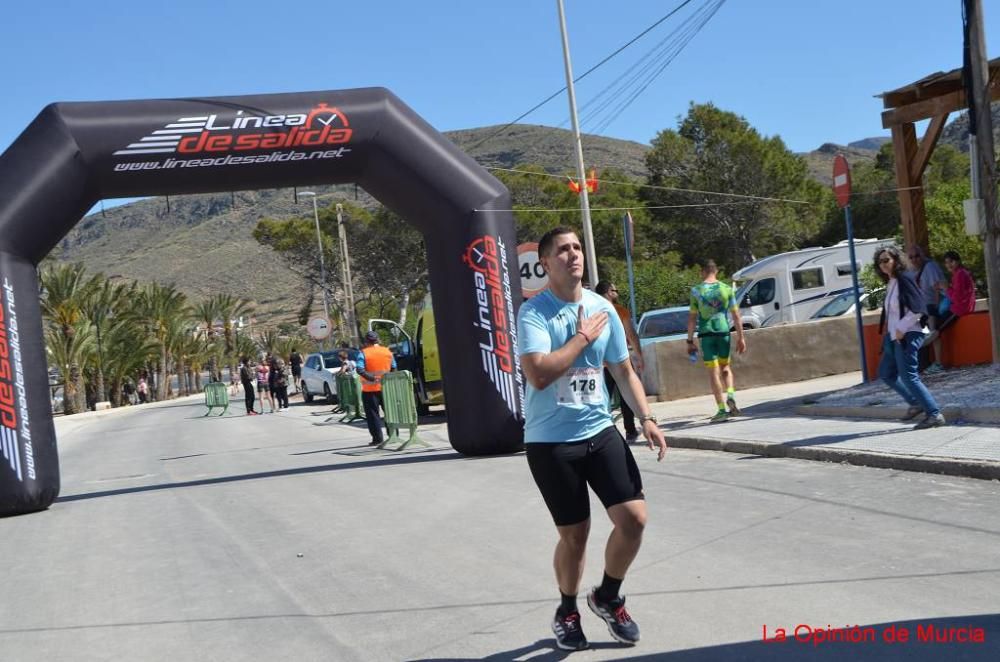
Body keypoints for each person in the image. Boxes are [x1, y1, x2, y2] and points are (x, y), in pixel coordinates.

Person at [516, 227, 667, 652]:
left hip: (600, 432)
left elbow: (622, 370)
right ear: (545, 263)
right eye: (562, 250)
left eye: (577, 247)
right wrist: (582, 337)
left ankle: (607, 596)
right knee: (576, 535)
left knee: (634, 519)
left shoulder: (602, 308)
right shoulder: (535, 314)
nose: (573, 255)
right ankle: (567, 609)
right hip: (550, 443)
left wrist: (648, 417)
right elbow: (540, 373)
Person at [875, 246, 946, 429]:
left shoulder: (904, 279)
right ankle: (915, 403)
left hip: (907, 334)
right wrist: (890, 332)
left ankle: (934, 414)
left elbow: (918, 308)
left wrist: (900, 328)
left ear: (896, 260)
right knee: (886, 373)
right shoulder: (891, 282)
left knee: (909, 376)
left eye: (886, 260)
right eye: (880, 261)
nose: (883, 264)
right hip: (893, 337)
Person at [686, 260, 747, 422]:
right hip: (723, 332)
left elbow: (692, 318)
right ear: (716, 271)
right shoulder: (726, 289)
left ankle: (721, 410)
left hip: (706, 335)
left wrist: (689, 340)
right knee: (726, 367)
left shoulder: (696, 291)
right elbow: (736, 315)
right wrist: (741, 337)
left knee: (713, 372)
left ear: (703, 271)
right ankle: (731, 394)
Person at [594, 281, 643, 441]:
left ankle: (603, 431)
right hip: (620, 361)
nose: (617, 293)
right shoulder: (620, 310)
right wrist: (639, 355)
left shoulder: (591, 309)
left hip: (600, 362)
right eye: (616, 290)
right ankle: (630, 430)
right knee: (626, 394)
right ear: (609, 292)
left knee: (602, 397)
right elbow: (631, 334)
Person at [906, 245, 948, 373]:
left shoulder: (930, 267)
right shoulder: (911, 271)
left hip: (931, 306)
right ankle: (922, 364)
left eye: (917, 256)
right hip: (920, 309)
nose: (914, 259)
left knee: (933, 332)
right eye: (911, 257)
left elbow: (938, 288)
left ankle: (939, 363)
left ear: (922, 255)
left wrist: (935, 308)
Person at [357, 330, 396, 446]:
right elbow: (393, 367)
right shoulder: (387, 351)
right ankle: (394, 435)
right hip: (387, 388)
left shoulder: (363, 353)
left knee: (373, 415)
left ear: (366, 341)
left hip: (370, 390)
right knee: (390, 412)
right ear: (377, 339)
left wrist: (372, 379)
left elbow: (359, 369)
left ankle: (378, 439)